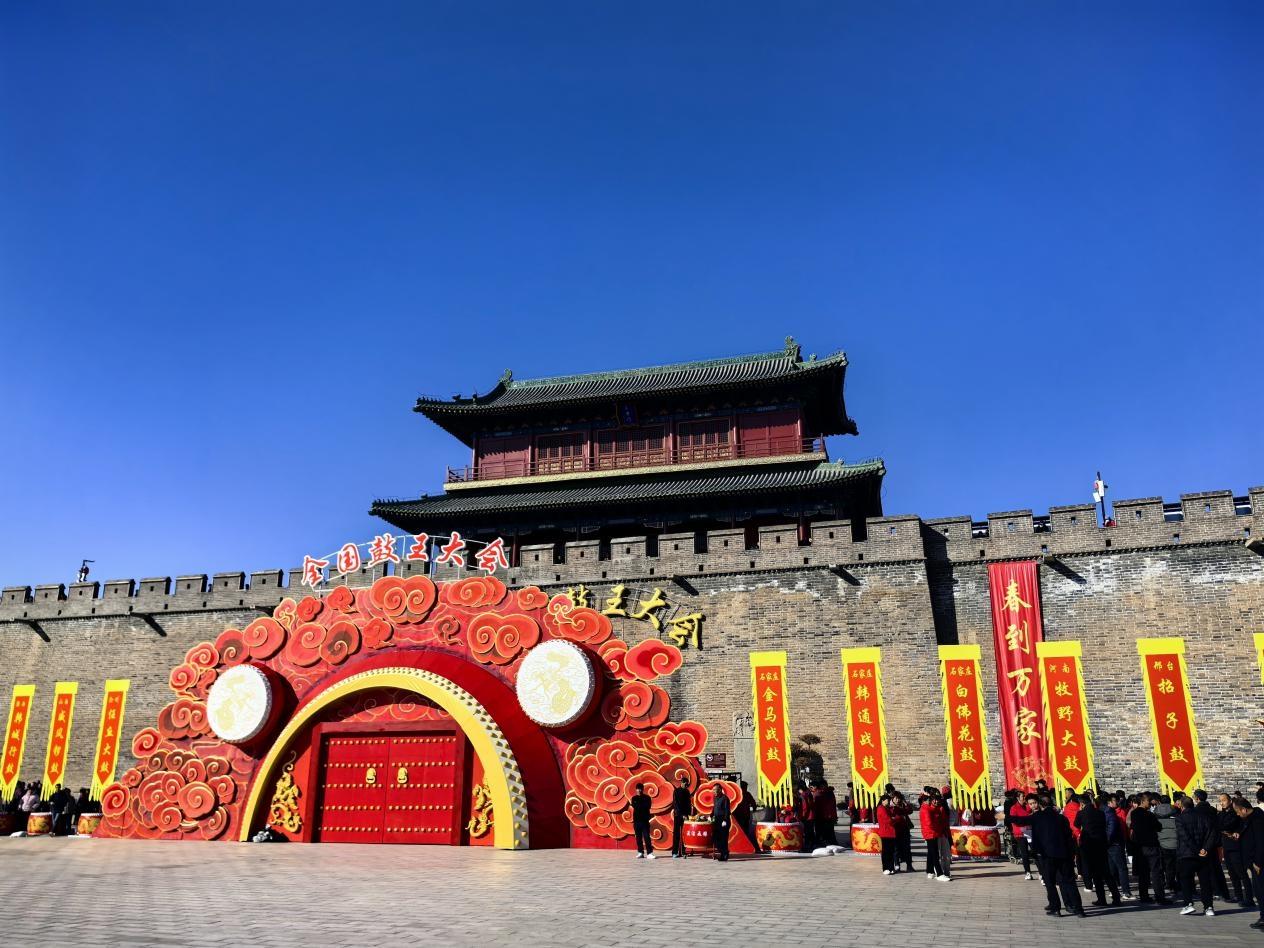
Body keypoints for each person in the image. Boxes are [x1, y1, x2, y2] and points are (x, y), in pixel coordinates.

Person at [1009, 795, 1085, 917]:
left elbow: (1021, 820)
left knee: (1050, 882)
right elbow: (1068, 836)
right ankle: (1079, 909)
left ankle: (1056, 908)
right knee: (1069, 882)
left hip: (1047, 854)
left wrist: (1006, 817)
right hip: (1064, 854)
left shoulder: (1037, 817)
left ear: (1040, 804)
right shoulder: (1061, 818)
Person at [1074, 794, 1121, 906]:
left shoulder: (1081, 813)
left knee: (1096, 874)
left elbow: (1076, 824)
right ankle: (1116, 898)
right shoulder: (1100, 813)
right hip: (1101, 844)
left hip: (1089, 845)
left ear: (1082, 803)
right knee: (1106, 872)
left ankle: (1102, 899)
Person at [1176, 794, 1216, 916]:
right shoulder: (1204, 817)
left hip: (1187, 854)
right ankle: (1208, 907)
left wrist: (1197, 849)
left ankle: (1188, 904)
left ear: (1182, 806)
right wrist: (1205, 848)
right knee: (1205, 881)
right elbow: (1211, 834)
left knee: (1186, 880)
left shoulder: (1180, 818)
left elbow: (1185, 837)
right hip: (1203, 854)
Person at [1130, 793, 1172, 904]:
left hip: (1140, 847)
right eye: (1148, 801)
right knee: (1156, 872)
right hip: (1151, 846)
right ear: (1142, 801)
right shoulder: (1149, 814)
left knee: (1143, 873)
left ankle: (1144, 896)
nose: (1150, 803)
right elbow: (1159, 827)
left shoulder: (1134, 813)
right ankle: (1160, 897)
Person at [1193, 789, 1231, 901]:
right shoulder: (1212, 810)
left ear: (1197, 798)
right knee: (1217, 868)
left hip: (1203, 844)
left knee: (1206, 870)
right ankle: (1223, 892)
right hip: (1214, 842)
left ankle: (1214, 891)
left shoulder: (1196, 811)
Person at [1234, 796, 1264, 930]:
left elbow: (1260, 842)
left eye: (1238, 811)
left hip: (1259, 862)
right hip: (1253, 861)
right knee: (1258, 891)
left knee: (1261, 891)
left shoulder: (1257, 820)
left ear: (1244, 810)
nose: (1237, 814)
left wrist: (1258, 862)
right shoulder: (1250, 819)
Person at [1219, 792, 1254, 906]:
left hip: (1236, 846)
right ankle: (1238, 896)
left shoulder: (1235, 812)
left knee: (1241, 873)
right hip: (1226, 846)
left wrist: (1225, 828)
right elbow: (1218, 825)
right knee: (1232, 873)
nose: (1222, 803)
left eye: (1224, 800)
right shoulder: (1222, 813)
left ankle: (1249, 898)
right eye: (1220, 801)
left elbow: (1228, 825)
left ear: (1230, 800)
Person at [1105, 793, 1135, 900]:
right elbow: (1114, 829)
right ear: (1109, 802)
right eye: (1115, 801)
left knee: (1113, 868)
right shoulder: (1112, 813)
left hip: (1114, 843)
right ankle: (1125, 892)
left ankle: (1114, 890)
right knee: (1121, 868)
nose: (1117, 802)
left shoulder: (1113, 812)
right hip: (1116, 843)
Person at [920, 790, 951, 881]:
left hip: (932, 833)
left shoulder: (930, 808)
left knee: (931, 853)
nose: (932, 801)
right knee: (935, 854)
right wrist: (937, 822)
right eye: (930, 800)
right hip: (931, 833)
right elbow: (929, 823)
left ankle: (929, 871)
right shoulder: (926, 809)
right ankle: (939, 873)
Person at [1008, 793, 1035, 880]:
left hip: (1028, 832)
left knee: (1035, 850)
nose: (1024, 798)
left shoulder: (1028, 806)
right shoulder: (1014, 808)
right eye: (1022, 796)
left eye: (1024, 796)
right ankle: (1028, 872)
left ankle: (1042, 873)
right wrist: (1027, 819)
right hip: (1020, 833)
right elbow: (1015, 821)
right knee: (1024, 853)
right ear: (1018, 798)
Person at [630, 782, 655, 859]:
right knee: (638, 838)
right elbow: (636, 806)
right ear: (636, 789)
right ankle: (640, 852)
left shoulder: (647, 798)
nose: (639, 790)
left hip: (645, 821)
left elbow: (647, 807)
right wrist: (641, 806)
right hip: (637, 821)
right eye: (638, 789)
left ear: (643, 789)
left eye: (640, 789)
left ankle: (649, 853)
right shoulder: (634, 798)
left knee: (647, 837)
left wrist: (639, 805)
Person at [892, 791, 914, 872]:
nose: (898, 800)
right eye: (896, 798)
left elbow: (910, 810)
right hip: (896, 830)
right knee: (896, 849)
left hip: (905, 829)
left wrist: (905, 803)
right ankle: (897, 865)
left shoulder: (902, 805)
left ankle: (909, 865)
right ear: (893, 799)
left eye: (899, 798)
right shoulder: (891, 807)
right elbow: (898, 812)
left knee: (907, 848)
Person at [876, 794, 898, 875]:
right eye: (887, 800)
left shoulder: (887, 808)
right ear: (882, 801)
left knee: (891, 851)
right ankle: (885, 868)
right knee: (886, 851)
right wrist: (896, 818)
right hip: (885, 832)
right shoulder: (881, 808)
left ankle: (891, 867)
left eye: (889, 801)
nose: (888, 802)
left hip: (890, 832)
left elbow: (892, 816)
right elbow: (888, 820)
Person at [671, 776, 692, 858]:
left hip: (686, 816)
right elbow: (676, 804)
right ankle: (674, 852)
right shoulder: (676, 791)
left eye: (687, 785)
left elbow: (688, 804)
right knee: (676, 834)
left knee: (684, 834)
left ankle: (683, 851)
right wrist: (681, 815)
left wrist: (688, 814)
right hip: (678, 815)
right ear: (682, 783)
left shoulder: (687, 791)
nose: (686, 786)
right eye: (685, 784)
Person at [712, 789, 731, 862]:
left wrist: (725, 820)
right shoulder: (715, 798)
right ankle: (722, 852)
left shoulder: (725, 798)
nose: (714, 792)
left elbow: (727, 810)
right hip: (717, 820)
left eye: (715, 790)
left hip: (723, 820)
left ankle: (724, 855)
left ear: (719, 790)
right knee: (716, 837)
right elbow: (714, 808)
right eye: (713, 791)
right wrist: (711, 815)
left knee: (723, 838)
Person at [735, 780, 756, 845]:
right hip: (743, 815)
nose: (746, 788)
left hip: (741, 815)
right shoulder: (746, 794)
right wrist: (754, 808)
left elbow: (753, 802)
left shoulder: (739, 793)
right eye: (745, 787)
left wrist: (754, 807)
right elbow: (753, 803)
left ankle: (741, 841)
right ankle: (744, 841)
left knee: (741, 828)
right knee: (744, 828)